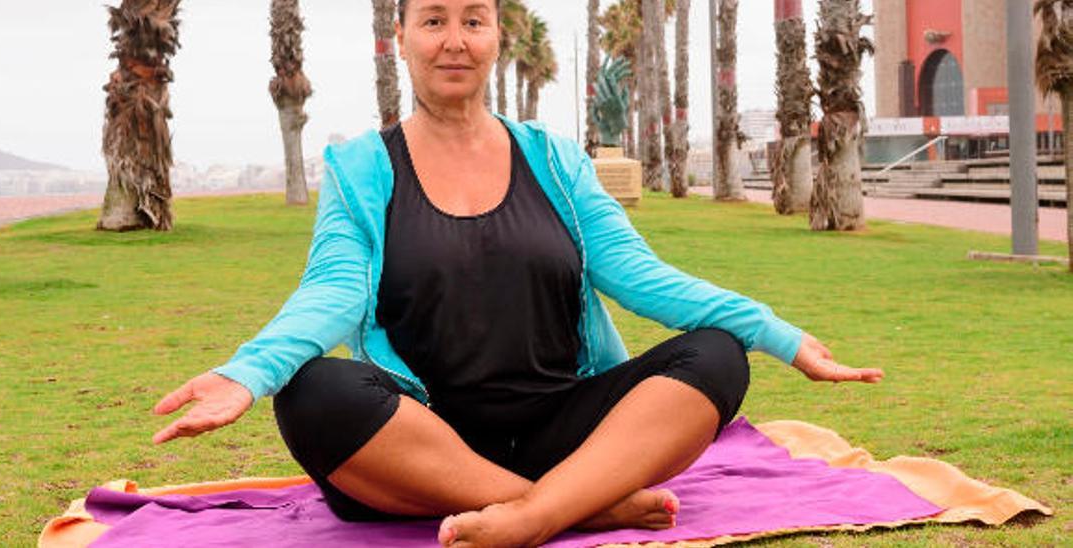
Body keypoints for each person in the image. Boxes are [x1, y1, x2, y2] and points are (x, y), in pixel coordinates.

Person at [151, 1, 884, 546]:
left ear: (497, 36)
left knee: (717, 357)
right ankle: (577, 507)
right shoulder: (361, 169)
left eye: (474, 20)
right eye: (433, 21)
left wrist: (776, 334)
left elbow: (639, 275)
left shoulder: (556, 162)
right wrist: (249, 372)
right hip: (425, 446)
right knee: (313, 392)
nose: (454, 41)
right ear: (400, 40)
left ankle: (533, 513)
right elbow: (333, 293)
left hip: (564, 426)